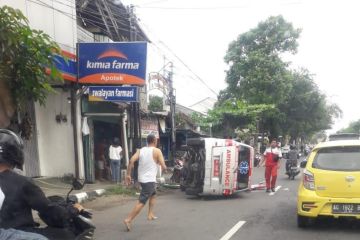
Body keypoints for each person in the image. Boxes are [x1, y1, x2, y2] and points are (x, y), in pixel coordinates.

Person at [0, 129, 83, 239]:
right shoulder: (23, 182)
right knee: (65, 235)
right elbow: (49, 210)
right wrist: (73, 210)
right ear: (15, 152)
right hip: (17, 233)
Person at [123, 134, 167, 231]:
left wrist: (128, 175)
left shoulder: (141, 150)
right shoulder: (157, 151)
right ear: (155, 141)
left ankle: (150, 214)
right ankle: (128, 219)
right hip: (149, 180)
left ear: (147, 141)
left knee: (153, 194)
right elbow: (163, 166)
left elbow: (131, 160)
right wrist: (164, 168)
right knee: (142, 201)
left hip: (142, 178)